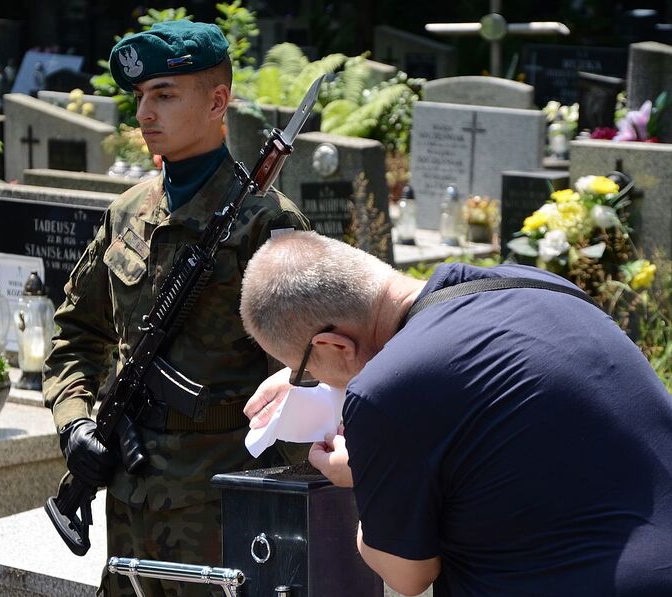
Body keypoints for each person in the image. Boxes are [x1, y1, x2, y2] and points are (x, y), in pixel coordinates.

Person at [239, 231, 672, 596]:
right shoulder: (531, 282)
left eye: (306, 369)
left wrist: (362, 474)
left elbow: (406, 574)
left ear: (334, 346)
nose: (318, 380)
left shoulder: (386, 391)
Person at [43, 21, 311, 597]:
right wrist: (77, 426)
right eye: (140, 97)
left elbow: (306, 381)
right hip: (130, 501)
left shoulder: (266, 225)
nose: (145, 114)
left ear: (218, 100)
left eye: (164, 94)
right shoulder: (127, 213)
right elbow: (77, 336)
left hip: (219, 512)